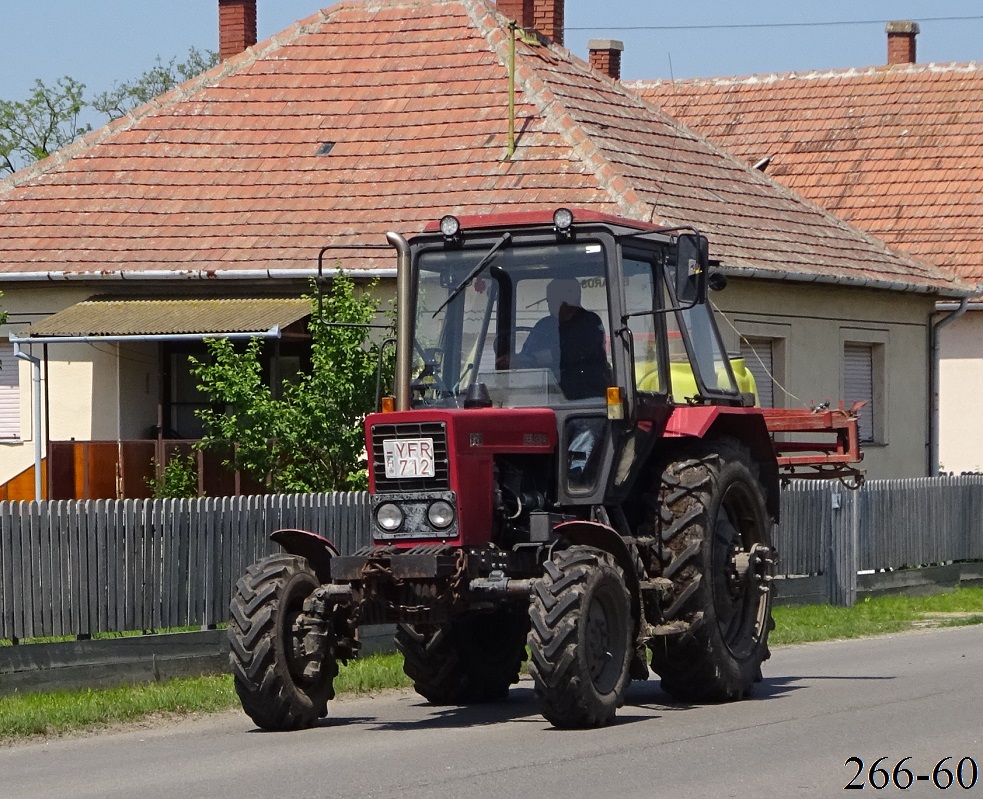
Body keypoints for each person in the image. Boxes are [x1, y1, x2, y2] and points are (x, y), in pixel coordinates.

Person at [516, 278, 610, 400]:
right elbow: (527, 354)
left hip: (588, 397)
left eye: (552, 300)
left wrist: (547, 356)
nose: (549, 304)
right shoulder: (544, 325)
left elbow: (578, 352)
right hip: (548, 394)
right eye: (549, 300)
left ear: (567, 301)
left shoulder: (590, 322)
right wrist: (517, 360)